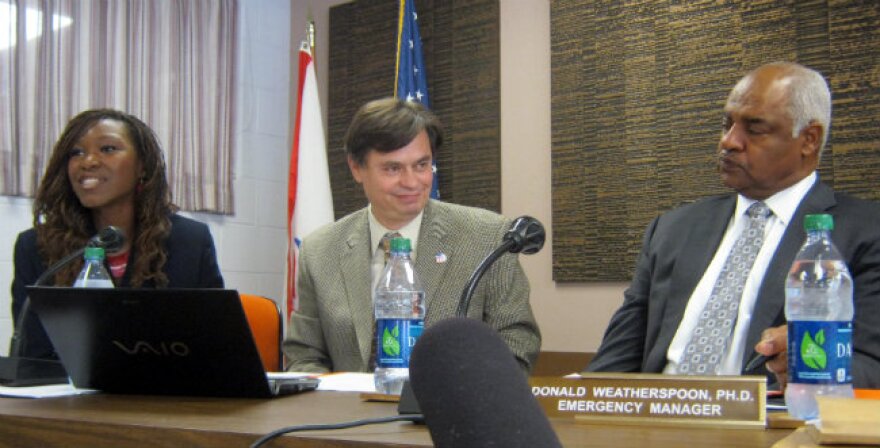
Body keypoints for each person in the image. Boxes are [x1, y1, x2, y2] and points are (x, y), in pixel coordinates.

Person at [587, 62, 880, 389]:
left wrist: (813, 358)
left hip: (771, 431)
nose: (729, 142)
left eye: (754, 129)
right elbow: (612, 365)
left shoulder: (865, 233)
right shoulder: (672, 230)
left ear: (809, 139)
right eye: (727, 125)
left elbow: (872, 368)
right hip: (657, 426)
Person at [283, 98, 541, 373]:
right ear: (356, 168)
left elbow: (517, 342)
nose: (411, 182)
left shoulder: (488, 237)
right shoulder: (321, 250)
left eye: (421, 165)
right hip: (348, 413)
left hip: (448, 411)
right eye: (393, 169)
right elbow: (304, 356)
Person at [11, 108, 224, 360]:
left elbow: (214, 345)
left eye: (108, 149)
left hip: (166, 394)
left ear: (142, 166)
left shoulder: (189, 241)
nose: (88, 161)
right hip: (68, 396)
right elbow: (34, 354)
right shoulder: (36, 245)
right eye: (76, 153)